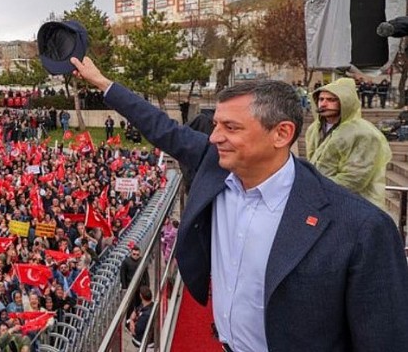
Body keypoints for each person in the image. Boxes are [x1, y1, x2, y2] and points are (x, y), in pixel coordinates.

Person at [70, 55, 408, 351]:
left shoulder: (362, 228)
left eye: (230, 127)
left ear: (281, 134)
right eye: (216, 124)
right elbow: (160, 126)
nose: (215, 136)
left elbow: (384, 339)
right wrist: (102, 83)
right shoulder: (212, 162)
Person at [305, 78, 391, 211]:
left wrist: (317, 187)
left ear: (346, 103)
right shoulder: (314, 129)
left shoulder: (364, 133)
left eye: (331, 100)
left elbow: (355, 179)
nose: (323, 104)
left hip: (357, 206)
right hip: (322, 203)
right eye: (321, 99)